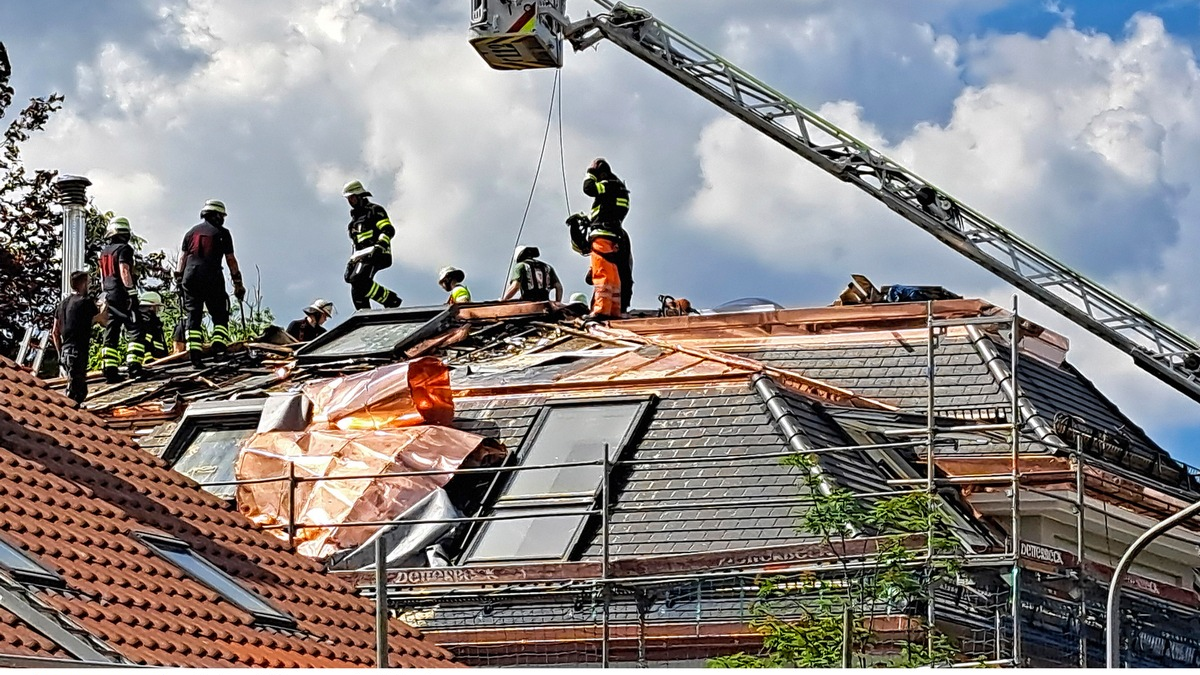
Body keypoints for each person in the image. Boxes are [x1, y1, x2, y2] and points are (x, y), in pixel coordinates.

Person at [177, 199, 244, 369]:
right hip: (211, 276)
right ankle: (219, 348)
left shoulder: (190, 233)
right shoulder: (223, 233)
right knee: (220, 312)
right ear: (217, 216)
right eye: (222, 216)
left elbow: (182, 258)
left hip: (189, 277)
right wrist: (238, 283)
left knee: (193, 315)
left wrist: (179, 278)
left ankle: (195, 355)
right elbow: (231, 260)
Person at [582, 158, 634, 314]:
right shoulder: (620, 190)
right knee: (613, 278)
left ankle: (601, 311)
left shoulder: (608, 185)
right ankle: (614, 310)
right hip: (614, 236)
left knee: (602, 276)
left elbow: (589, 189)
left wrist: (590, 173)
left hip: (602, 235)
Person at [342, 180, 402, 310]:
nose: (350, 201)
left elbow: (388, 230)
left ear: (360, 195)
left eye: (352, 197)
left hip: (378, 253)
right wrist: (351, 262)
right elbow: (356, 245)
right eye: (348, 198)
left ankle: (391, 299)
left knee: (358, 279)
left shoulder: (375, 210)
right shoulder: (353, 222)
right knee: (355, 286)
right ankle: (364, 314)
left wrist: (380, 246)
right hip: (361, 256)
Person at [50, 271, 104, 404]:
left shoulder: (61, 305)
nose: (90, 285)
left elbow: (54, 332)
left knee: (76, 387)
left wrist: (59, 353)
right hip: (77, 352)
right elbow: (102, 318)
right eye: (89, 282)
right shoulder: (85, 302)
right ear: (83, 284)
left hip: (65, 352)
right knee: (77, 392)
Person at [97, 217, 139, 383]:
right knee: (135, 328)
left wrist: (104, 292)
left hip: (107, 294)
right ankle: (134, 367)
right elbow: (124, 271)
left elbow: (101, 275)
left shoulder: (104, 252)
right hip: (121, 294)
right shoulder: (125, 249)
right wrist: (131, 292)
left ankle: (109, 370)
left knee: (111, 330)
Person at [126, 291, 169, 377]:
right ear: (152, 306)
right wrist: (149, 359)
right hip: (150, 361)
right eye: (157, 307)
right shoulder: (148, 320)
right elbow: (145, 342)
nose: (157, 311)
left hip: (153, 360)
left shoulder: (139, 317)